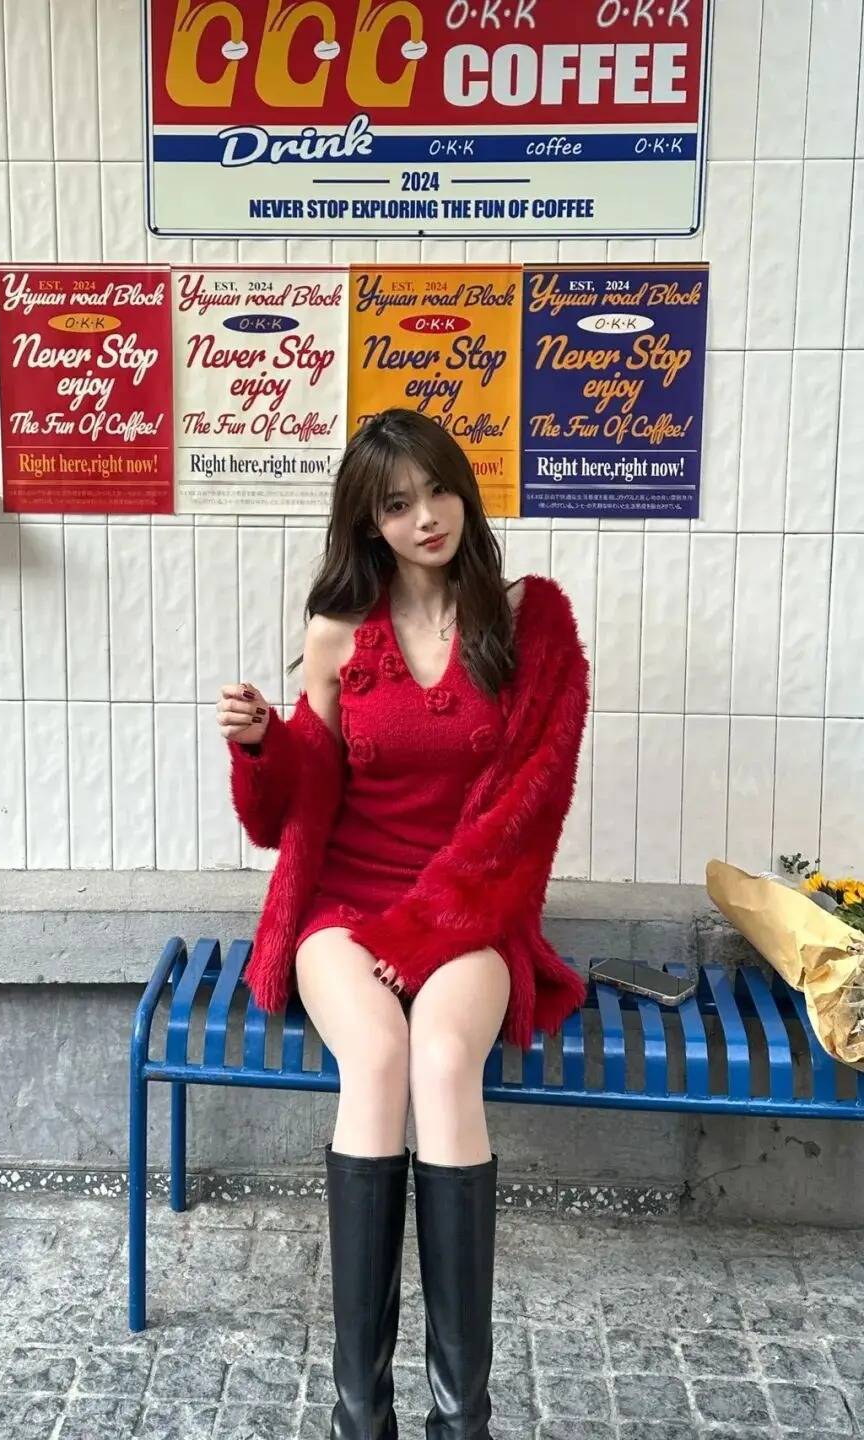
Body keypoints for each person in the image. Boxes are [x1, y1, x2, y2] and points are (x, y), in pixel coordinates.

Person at [216, 407, 590, 1440]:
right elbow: (294, 808)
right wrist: (263, 745)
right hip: (346, 904)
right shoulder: (336, 633)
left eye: (437, 490)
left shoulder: (531, 621)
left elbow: (531, 812)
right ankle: (360, 1418)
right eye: (396, 504)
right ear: (367, 523)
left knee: (443, 1060)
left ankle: (461, 1421)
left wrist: (428, 928)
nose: (425, 517)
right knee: (376, 1058)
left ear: (464, 490)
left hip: (472, 906)